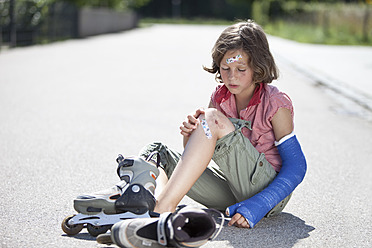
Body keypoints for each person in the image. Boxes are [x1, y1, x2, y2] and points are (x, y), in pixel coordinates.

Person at [139, 19, 307, 229]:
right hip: (232, 186)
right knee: (157, 154)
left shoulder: (275, 103)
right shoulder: (220, 98)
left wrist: (258, 205)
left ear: (257, 67)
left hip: (268, 194)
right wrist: (191, 132)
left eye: (241, 69)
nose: (231, 76)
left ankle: (161, 211)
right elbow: (200, 155)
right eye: (225, 68)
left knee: (210, 118)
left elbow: (297, 166)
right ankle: (148, 204)